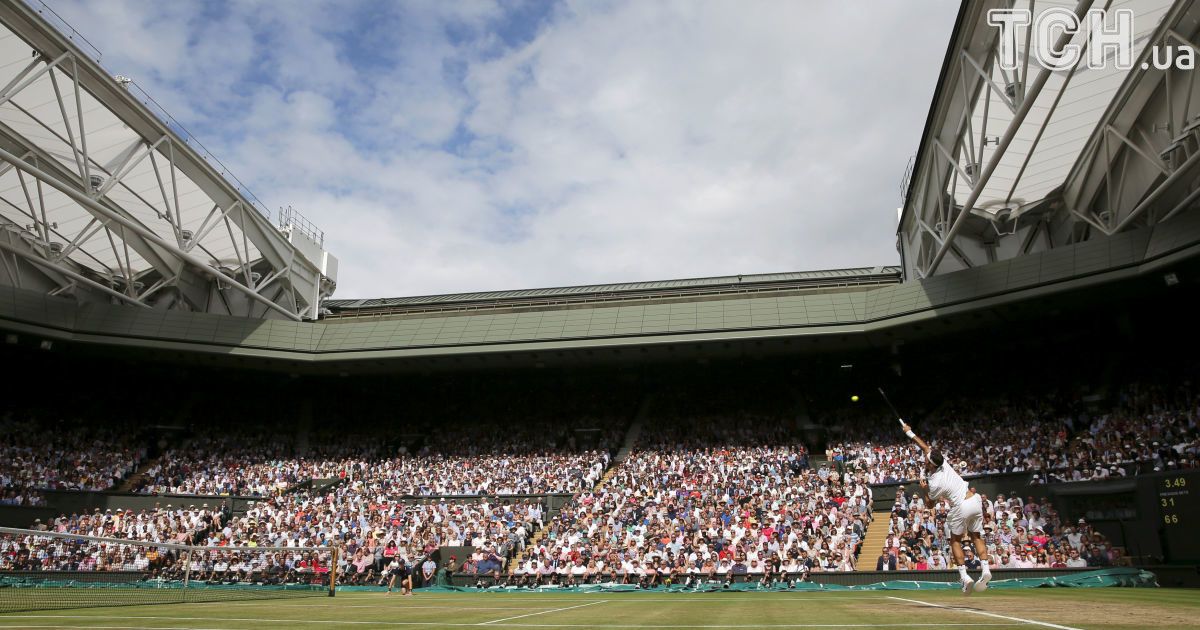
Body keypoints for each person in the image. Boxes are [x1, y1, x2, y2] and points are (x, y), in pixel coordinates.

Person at [900, 421, 991, 594]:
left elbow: (930, 504)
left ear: (931, 464)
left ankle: (965, 578)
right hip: (975, 501)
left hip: (961, 506)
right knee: (976, 536)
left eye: (927, 461)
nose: (925, 459)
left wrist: (924, 488)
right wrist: (909, 433)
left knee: (955, 541)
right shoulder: (943, 462)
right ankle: (986, 571)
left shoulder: (934, 483)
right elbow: (925, 447)